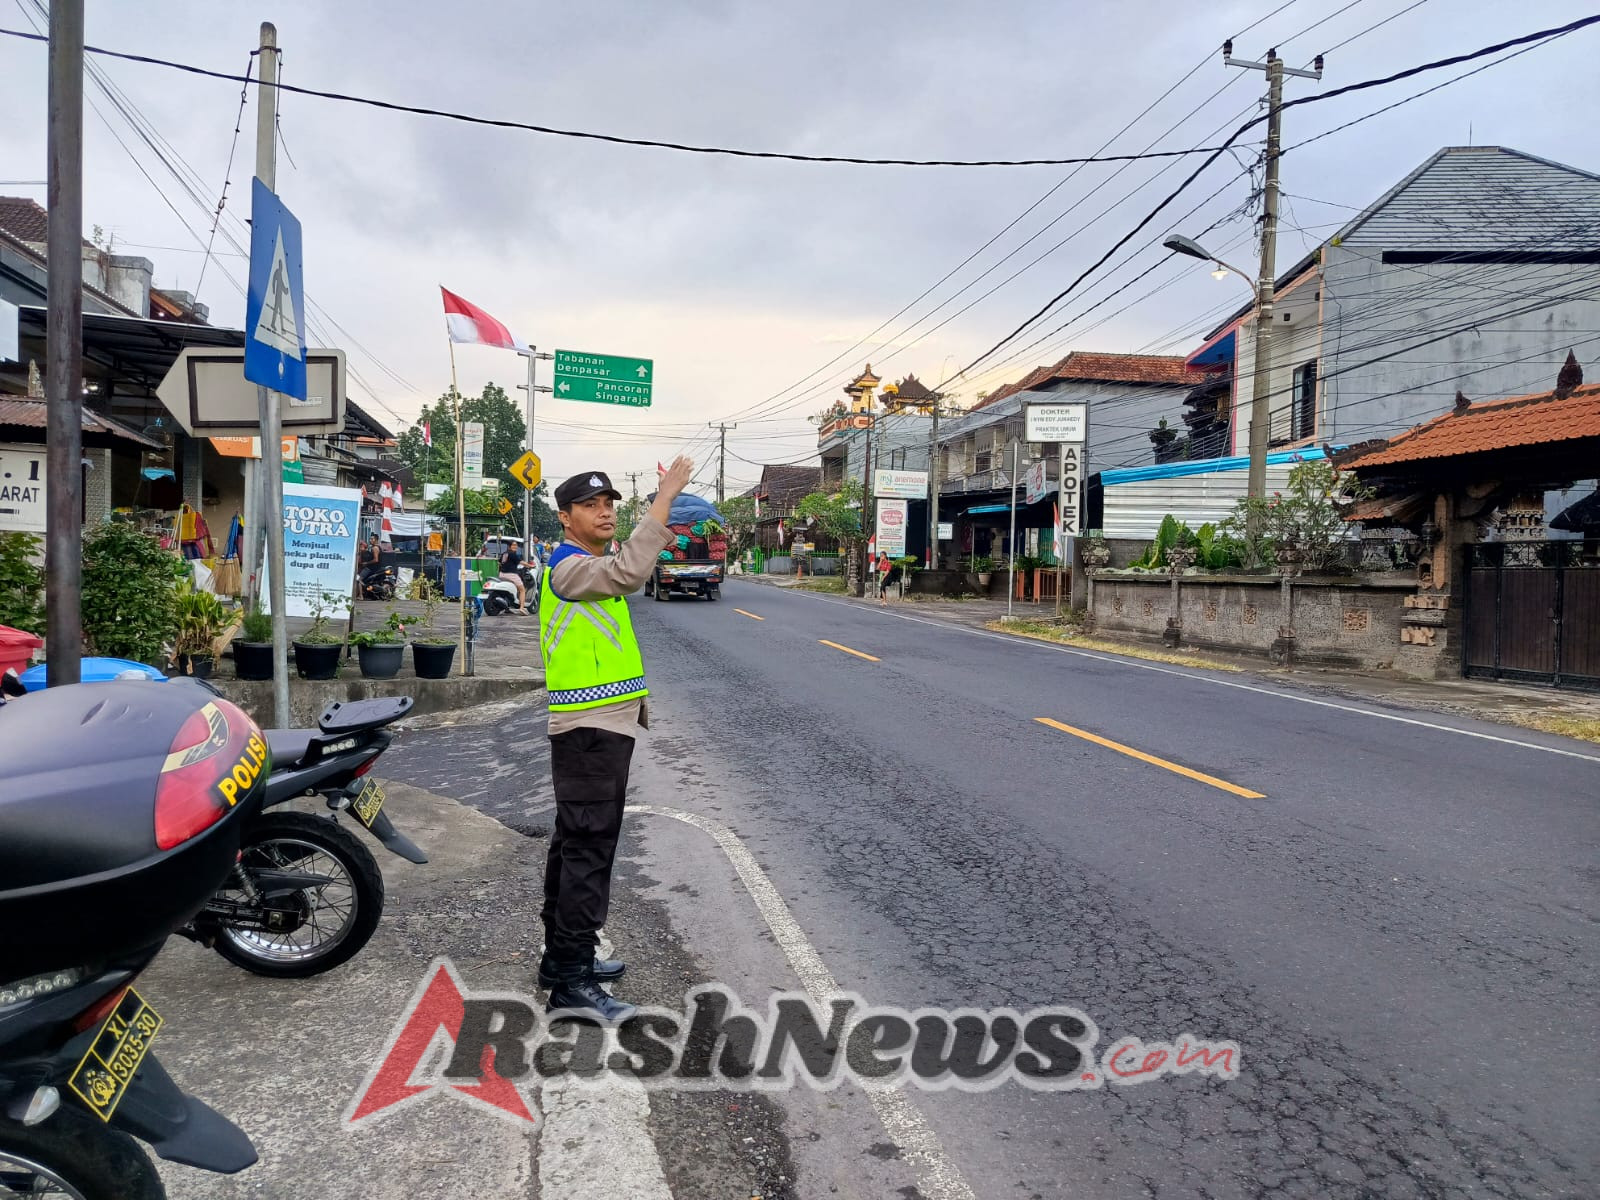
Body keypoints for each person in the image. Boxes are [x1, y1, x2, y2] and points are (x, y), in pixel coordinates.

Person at [537, 457, 694, 1021]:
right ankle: (572, 982)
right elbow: (629, 572)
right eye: (590, 505)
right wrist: (664, 498)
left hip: (599, 728)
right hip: (589, 732)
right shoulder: (569, 569)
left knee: (572, 844)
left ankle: (560, 961)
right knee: (588, 850)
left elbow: (622, 570)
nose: (604, 512)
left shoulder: (586, 565)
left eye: (608, 504)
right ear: (565, 517)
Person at [498, 539, 528, 614]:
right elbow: (521, 562)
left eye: (516, 545)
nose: (515, 547)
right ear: (509, 546)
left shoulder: (504, 554)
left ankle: (508, 606)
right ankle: (521, 608)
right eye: (513, 545)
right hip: (511, 575)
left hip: (502, 574)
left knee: (510, 590)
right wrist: (530, 565)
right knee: (522, 590)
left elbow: (500, 562)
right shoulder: (512, 554)